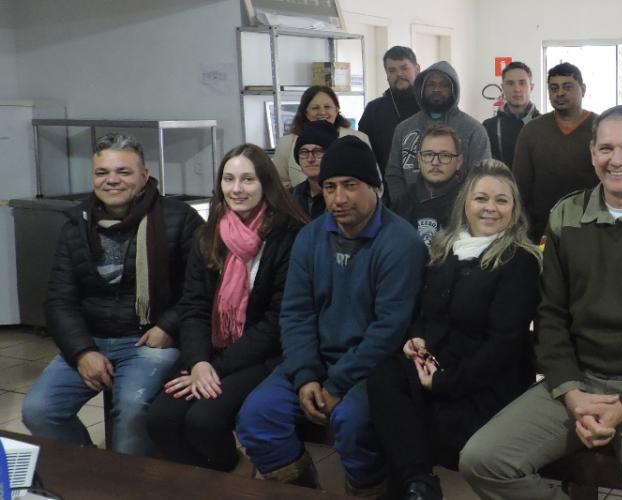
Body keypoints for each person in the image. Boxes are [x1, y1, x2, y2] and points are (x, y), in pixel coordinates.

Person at [459, 105, 622, 500]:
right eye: (606, 148)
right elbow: (550, 315)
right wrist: (572, 392)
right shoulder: (567, 215)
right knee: (482, 460)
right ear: (592, 152)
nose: (617, 160)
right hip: (578, 381)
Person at [235, 136, 426, 496]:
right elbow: (295, 313)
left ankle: (368, 490)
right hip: (316, 359)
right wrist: (306, 375)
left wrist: (336, 384)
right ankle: (304, 490)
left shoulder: (401, 244)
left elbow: (388, 330)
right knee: (257, 416)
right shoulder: (310, 237)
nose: (338, 199)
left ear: (378, 189)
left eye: (351, 186)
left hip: (374, 367)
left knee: (353, 423)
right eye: (330, 187)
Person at [367, 159, 541, 500]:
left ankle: (414, 487)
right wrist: (415, 338)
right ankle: (421, 485)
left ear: (514, 209)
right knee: (383, 379)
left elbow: (503, 347)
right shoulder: (447, 249)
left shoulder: (519, 260)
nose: (490, 208)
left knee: (414, 427)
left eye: (501, 200)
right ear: (466, 203)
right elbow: (425, 311)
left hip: (484, 383)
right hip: (437, 366)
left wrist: (444, 382)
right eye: (481, 198)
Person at [22, 133, 202, 456]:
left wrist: (168, 326)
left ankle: (129, 483)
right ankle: (95, 473)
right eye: (102, 172)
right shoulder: (77, 224)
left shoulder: (178, 218)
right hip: (91, 338)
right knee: (38, 410)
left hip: (149, 340)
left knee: (132, 410)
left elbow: (198, 290)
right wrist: (81, 352)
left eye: (123, 172)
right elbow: (60, 300)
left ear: (144, 176)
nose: (112, 181)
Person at [146, 144, 308, 471]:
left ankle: (229, 474)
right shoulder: (210, 235)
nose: (236, 189)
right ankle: (216, 477)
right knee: (161, 418)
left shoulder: (289, 236)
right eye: (229, 179)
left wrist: (214, 370)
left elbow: (277, 321)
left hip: (264, 352)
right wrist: (199, 362)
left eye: (247, 180)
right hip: (211, 350)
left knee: (204, 419)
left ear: (266, 185)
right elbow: (194, 307)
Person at [386, 61, 490, 209]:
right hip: (410, 214)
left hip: (459, 213)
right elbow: (394, 173)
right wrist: (405, 207)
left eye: (444, 85)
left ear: (454, 89)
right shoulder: (404, 129)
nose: (436, 89)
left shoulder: (474, 130)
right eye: (431, 84)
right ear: (421, 88)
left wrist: (462, 210)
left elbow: (481, 177)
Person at [511, 62, 597, 240]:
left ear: (583, 89)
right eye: (553, 88)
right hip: (542, 230)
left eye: (567, 87)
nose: (560, 93)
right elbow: (521, 186)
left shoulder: (600, 127)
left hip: (591, 227)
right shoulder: (532, 131)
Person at [273, 85, 371, 189]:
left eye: (327, 107)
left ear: (336, 110)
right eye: (315, 108)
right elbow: (281, 184)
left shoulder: (358, 139)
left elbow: (373, 183)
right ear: (306, 113)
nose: (322, 112)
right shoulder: (286, 144)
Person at [394, 125, 466, 248]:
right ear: (419, 159)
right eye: (428, 154)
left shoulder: (468, 203)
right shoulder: (402, 203)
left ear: (459, 161)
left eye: (444, 155)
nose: (435, 162)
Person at [360, 46, 422, 170]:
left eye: (404, 68)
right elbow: (364, 154)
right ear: (387, 75)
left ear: (417, 69)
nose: (399, 74)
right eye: (392, 70)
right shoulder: (373, 110)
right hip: (387, 185)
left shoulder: (430, 106)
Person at [482, 61, 540, 167]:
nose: (516, 89)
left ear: (531, 87)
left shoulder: (545, 125)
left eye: (522, 83)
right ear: (503, 88)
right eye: (510, 83)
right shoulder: (488, 127)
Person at [291, 120, 338, 219]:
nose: (310, 159)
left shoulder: (340, 197)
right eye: (304, 152)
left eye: (318, 152)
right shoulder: (290, 197)